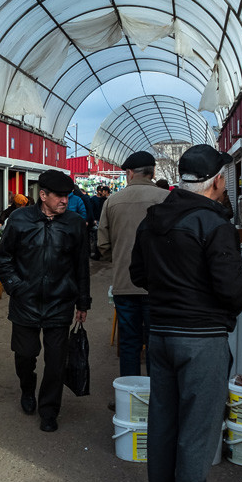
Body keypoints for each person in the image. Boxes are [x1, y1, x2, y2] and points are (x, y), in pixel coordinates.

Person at [130, 144, 242, 482]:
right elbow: (233, 290)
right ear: (217, 181)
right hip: (201, 338)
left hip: (161, 333)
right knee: (199, 426)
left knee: (163, 419)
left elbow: (138, 273)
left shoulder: (154, 218)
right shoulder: (214, 224)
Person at [0, 169, 91, 432]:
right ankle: (27, 389)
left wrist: (83, 302)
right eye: (59, 196)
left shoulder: (73, 224)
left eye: (67, 196)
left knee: (57, 361)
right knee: (25, 355)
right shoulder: (19, 219)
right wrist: (16, 287)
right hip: (25, 302)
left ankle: (49, 409)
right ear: (43, 195)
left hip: (61, 302)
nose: (65, 201)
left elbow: (82, 266)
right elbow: (3, 258)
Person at [97, 151, 170, 378]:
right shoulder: (167, 199)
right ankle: (155, 397)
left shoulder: (112, 201)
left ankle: (128, 398)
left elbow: (103, 245)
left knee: (129, 342)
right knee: (156, 343)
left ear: (129, 173)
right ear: (153, 172)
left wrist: (119, 260)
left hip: (124, 284)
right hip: (159, 286)